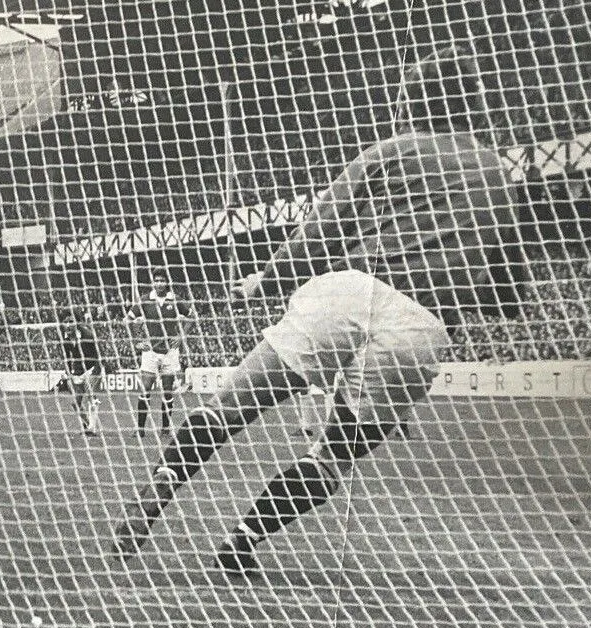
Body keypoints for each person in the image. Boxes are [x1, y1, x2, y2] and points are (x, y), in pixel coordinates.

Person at [112, 45, 527, 576]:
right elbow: (509, 278)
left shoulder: (391, 150)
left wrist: (270, 278)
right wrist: (466, 277)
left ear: (414, 101)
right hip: (420, 326)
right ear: (472, 104)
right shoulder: (495, 172)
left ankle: (159, 492)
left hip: (351, 291)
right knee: (331, 457)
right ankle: (239, 545)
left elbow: (322, 226)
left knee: (226, 410)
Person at [127, 268, 195, 439]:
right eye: (156, 280)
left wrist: (181, 336)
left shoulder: (175, 299)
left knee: (167, 391)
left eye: (161, 280)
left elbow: (191, 316)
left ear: (167, 282)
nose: (159, 283)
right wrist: (137, 341)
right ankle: (140, 428)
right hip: (150, 351)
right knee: (145, 389)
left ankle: (165, 428)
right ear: (153, 282)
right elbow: (127, 319)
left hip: (169, 352)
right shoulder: (145, 300)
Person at [59, 308, 103, 437]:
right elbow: (66, 358)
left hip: (92, 368)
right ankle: (88, 424)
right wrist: (69, 374)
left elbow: (98, 355)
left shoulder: (87, 335)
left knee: (91, 396)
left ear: (77, 323)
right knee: (75, 402)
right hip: (78, 370)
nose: (68, 325)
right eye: (65, 322)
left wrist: (96, 371)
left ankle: (92, 428)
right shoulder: (64, 339)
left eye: (71, 321)